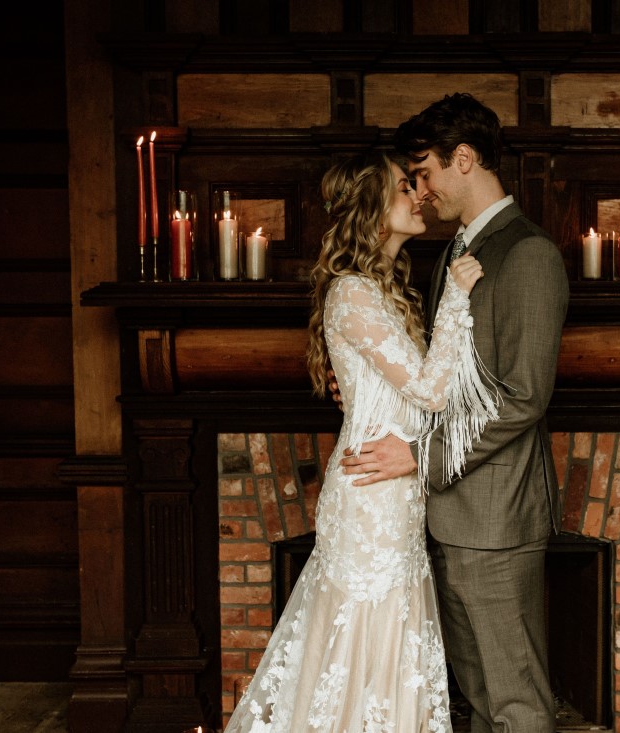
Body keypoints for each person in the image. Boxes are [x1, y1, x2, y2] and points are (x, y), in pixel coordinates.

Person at [224, 152, 498, 733]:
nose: (418, 195)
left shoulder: (382, 289)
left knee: (387, 648)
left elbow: (405, 391)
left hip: (394, 490)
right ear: (372, 209)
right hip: (371, 497)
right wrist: (456, 297)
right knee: (359, 646)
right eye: (404, 186)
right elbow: (429, 390)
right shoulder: (353, 292)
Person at [339, 93, 570, 733]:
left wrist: (420, 455)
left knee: (516, 703)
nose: (421, 190)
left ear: (463, 159)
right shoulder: (454, 253)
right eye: (411, 180)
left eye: (426, 173)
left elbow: (524, 395)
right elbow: (439, 378)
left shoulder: (527, 254)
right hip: (447, 517)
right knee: (478, 700)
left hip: (497, 521)